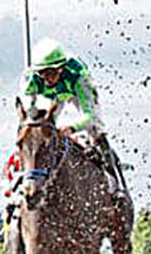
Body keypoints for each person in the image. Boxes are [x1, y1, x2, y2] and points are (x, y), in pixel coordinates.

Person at [19, 37, 126, 191]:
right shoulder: (30, 79)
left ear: (61, 68)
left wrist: (73, 128)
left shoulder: (79, 77)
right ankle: (19, 182)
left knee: (96, 131)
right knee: (35, 132)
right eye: (42, 73)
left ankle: (115, 182)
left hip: (75, 92)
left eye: (51, 73)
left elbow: (90, 116)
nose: (47, 78)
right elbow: (28, 112)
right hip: (54, 97)